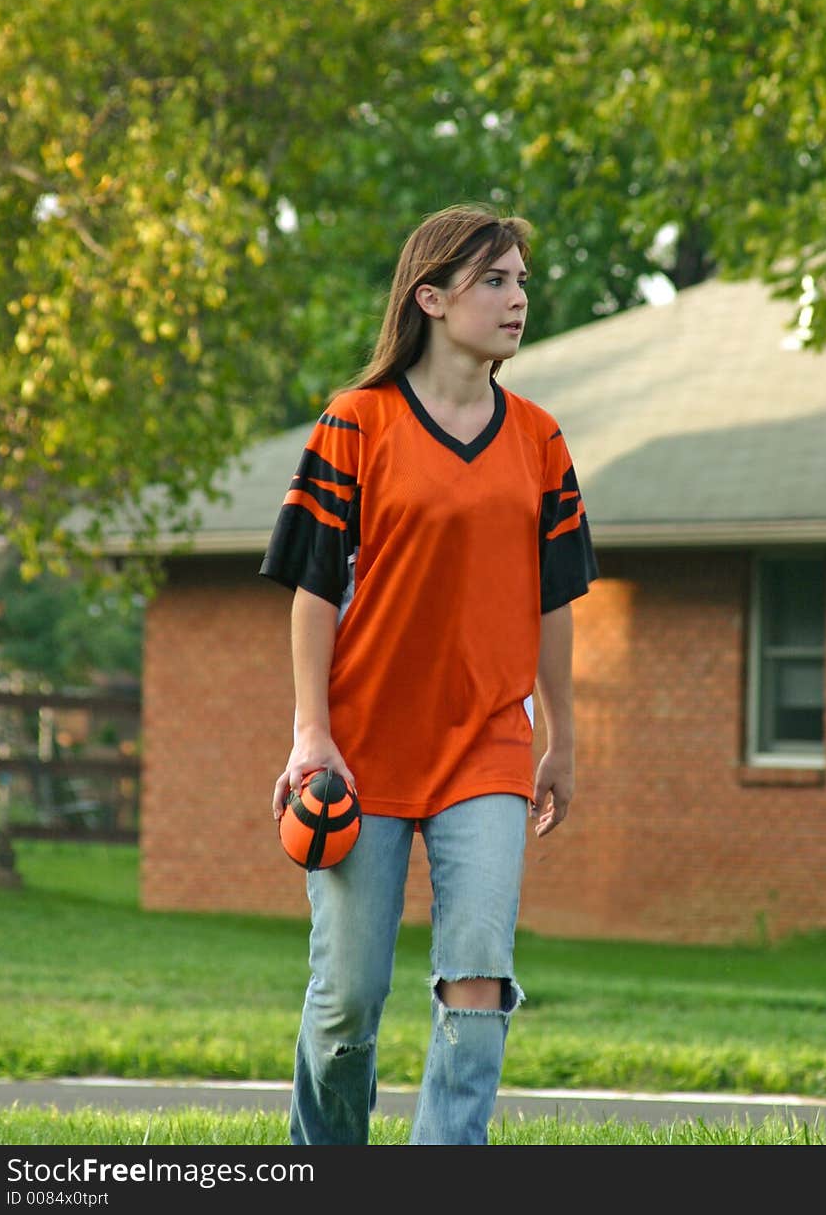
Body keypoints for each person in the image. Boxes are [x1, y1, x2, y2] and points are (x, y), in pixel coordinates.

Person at [261, 202, 598, 1145]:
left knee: (479, 974)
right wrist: (311, 732)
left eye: (522, 281)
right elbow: (313, 591)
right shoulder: (354, 424)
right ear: (432, 297)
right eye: (496, 280)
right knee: (346, 1005)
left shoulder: (539, 440)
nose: (518, 299)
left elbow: (554, 603)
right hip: (361, 747)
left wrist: (560, 738)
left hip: (487, 743)